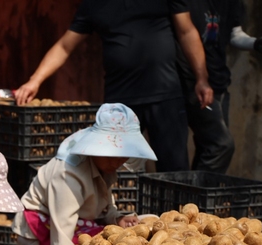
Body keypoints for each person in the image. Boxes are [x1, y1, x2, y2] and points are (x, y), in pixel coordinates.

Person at [14, 0, 214, 172]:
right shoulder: (95, 3)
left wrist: (202, 78)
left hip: (165, 95)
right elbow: (65, 46)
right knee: (117, 172)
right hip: (120, 103)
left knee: (174, 170)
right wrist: (35, 80)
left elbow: (187, 31)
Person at [13, 103, 158, 245]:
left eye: (122, 154)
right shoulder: (68, 174)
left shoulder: (103, 164)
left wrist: (116, 218)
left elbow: (104, 203)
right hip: (41, 240)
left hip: (77, 227)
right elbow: (62, 234)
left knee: (150, 221)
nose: (117, 161)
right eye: (111, 154)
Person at [179, 0, 262, 173]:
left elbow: (234, 33)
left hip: (219, 83)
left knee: (208, 148)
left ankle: (196, 197)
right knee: (221, 146)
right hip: (192, 83)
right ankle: (198, 197)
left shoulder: (231, 3)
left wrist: (256, 43)